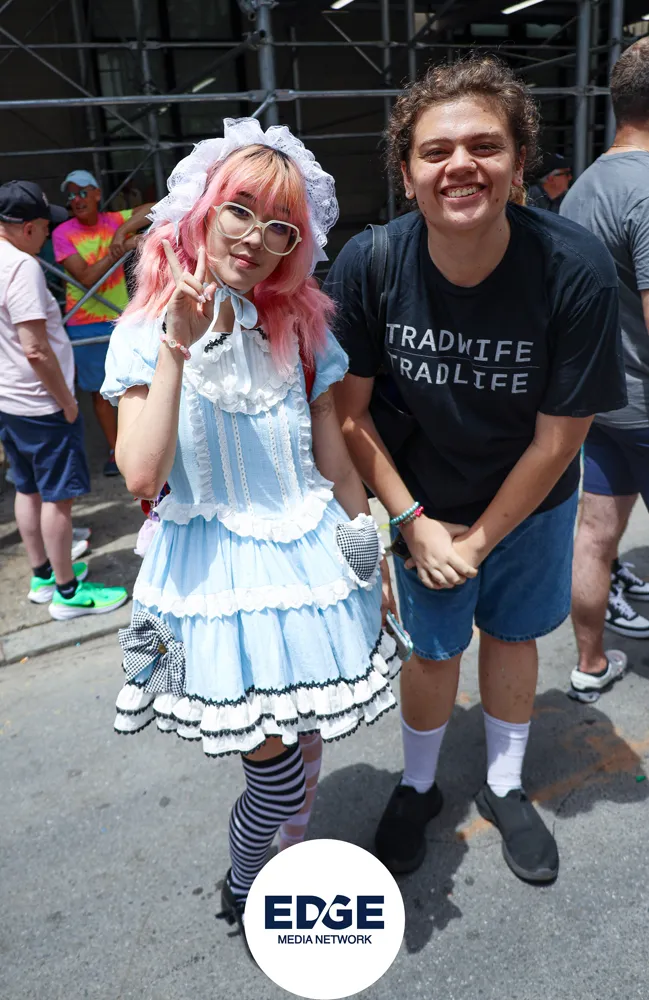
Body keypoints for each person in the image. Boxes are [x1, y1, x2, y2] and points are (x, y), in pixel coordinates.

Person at [325, 56, 626, 884]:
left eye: (483, 146)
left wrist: (478, 541)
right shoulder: (371, 263)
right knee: (431, 650)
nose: (459, 165)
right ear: (407, 174)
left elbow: (558, 440)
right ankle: (418, 785)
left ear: (517, 162)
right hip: (420, 498)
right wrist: (411, 524)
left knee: (513, 635)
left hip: (530, 499)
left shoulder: (573, 268)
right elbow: (349, 414)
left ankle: (502, 781)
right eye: (435, 151)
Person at [100, 118, 399, 935]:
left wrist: (369, 562)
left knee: (307, 733)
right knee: (273, 777)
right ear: (200, 210)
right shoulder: (143, 332)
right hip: (211, 585)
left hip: (309, 566)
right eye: (239, 210)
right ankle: (244, 883)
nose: (255, 238)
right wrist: (176, 346)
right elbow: (141, 476)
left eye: (279, 227)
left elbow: (336, 472)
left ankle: (288, 857)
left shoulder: (299, 331)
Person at [561, 37, 649, 699]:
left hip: (600, 404)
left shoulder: (581, 189)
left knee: (593, 535)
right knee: (595, 536)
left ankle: (588, 664)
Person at [0, 180, 128, 619]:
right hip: (41, 402)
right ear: (28, 227)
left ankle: (42, 576)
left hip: (11, 400)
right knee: (58, 498)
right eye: (43, 227)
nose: (46, 237)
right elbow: (36, 349)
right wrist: (66, 402)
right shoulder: (22, 266)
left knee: (28, 488)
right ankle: (68, 592)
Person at [52, 170, 154, 476]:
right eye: (71, 195)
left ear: (97, 193)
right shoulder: (62, 233)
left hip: (121, 318)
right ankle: (116, 453)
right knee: (99, 393)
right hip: (84, 323)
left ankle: (143, 447)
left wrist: (123, 231)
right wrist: (120, 248)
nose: (76, 199)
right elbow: (85, 277)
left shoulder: (113, 220)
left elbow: (157, 206)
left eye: (83, 192)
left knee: (136, 384)